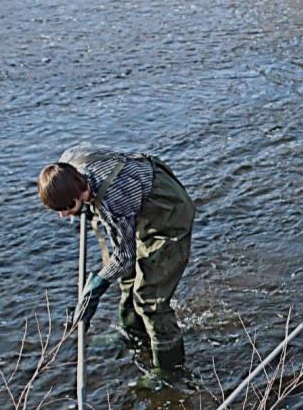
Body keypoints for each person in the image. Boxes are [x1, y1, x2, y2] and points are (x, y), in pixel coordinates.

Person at [37, 143, 195, 370]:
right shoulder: (71, 160)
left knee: (150, 298)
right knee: (128, 278)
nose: (63, 216)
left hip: (167, 212)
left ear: (77, 195)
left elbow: (125, 255)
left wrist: (96, 287)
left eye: (65, 209)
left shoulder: (112, 201)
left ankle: (169, 368)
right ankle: (133, 334)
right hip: (137, 196)